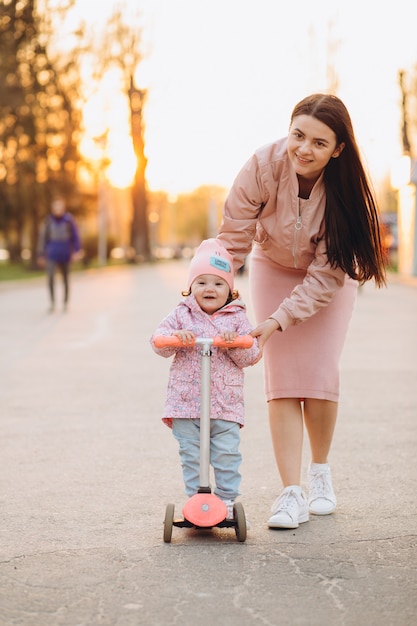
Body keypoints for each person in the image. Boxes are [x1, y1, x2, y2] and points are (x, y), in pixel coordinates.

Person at [217, 93, 387, 529]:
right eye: (298, 135)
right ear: (288, 130)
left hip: (327, 279)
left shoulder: (343, 193)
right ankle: (291, 493)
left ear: (338, 149)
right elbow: (234, 236)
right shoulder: (262, 166)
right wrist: (216, 289)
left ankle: (321, 472)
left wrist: (278, 320)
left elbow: (326, 275)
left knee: (319, 373)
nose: (303, 150)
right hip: (272, 266)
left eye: (318, 143)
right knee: (284, 379)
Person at [150, 239, 260, 518]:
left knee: (226, 456)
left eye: (218, 283)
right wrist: (177, 338)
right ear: (190, 287)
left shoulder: (237, 319)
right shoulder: (181, 315)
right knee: (191, 455)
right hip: (186, 404)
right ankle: (195, 502)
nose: (209, 288)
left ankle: (227, 501)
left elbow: (253, 353)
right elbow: (157, 342)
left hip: (225, 405)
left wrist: (235, 343)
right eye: (201, 282)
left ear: (231, 289)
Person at [37, 196, 81, 312]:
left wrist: (76, 251)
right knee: (50, 277)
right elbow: (43, 238)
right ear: (52, 208)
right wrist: (41, 254)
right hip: (51, 253)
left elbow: (75, 236)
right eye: (55, 207)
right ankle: (52, 303)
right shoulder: (48, 221)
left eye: (59, 206)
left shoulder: (69, 220)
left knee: (66, 278)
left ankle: (65, 303)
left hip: (66, 253)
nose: (57, 209)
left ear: (63, 208)